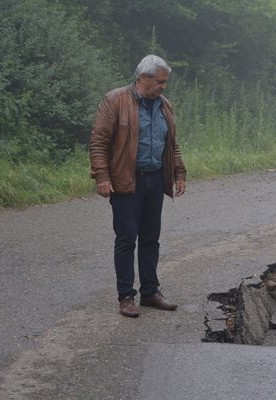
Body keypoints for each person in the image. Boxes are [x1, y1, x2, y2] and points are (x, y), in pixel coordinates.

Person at [89, 55, 186, 318]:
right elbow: (99, 141)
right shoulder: (115, 100)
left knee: (150, 239)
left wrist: (179, 172)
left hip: (155, 179)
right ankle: (126, 297)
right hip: (126, 181)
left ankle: (150, 292)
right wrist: (101, 176)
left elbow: (171, 143)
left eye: (165, 82)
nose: (164, 86)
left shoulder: (165, 106)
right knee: (126, 239)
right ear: (144, 78)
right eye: (160, 81)